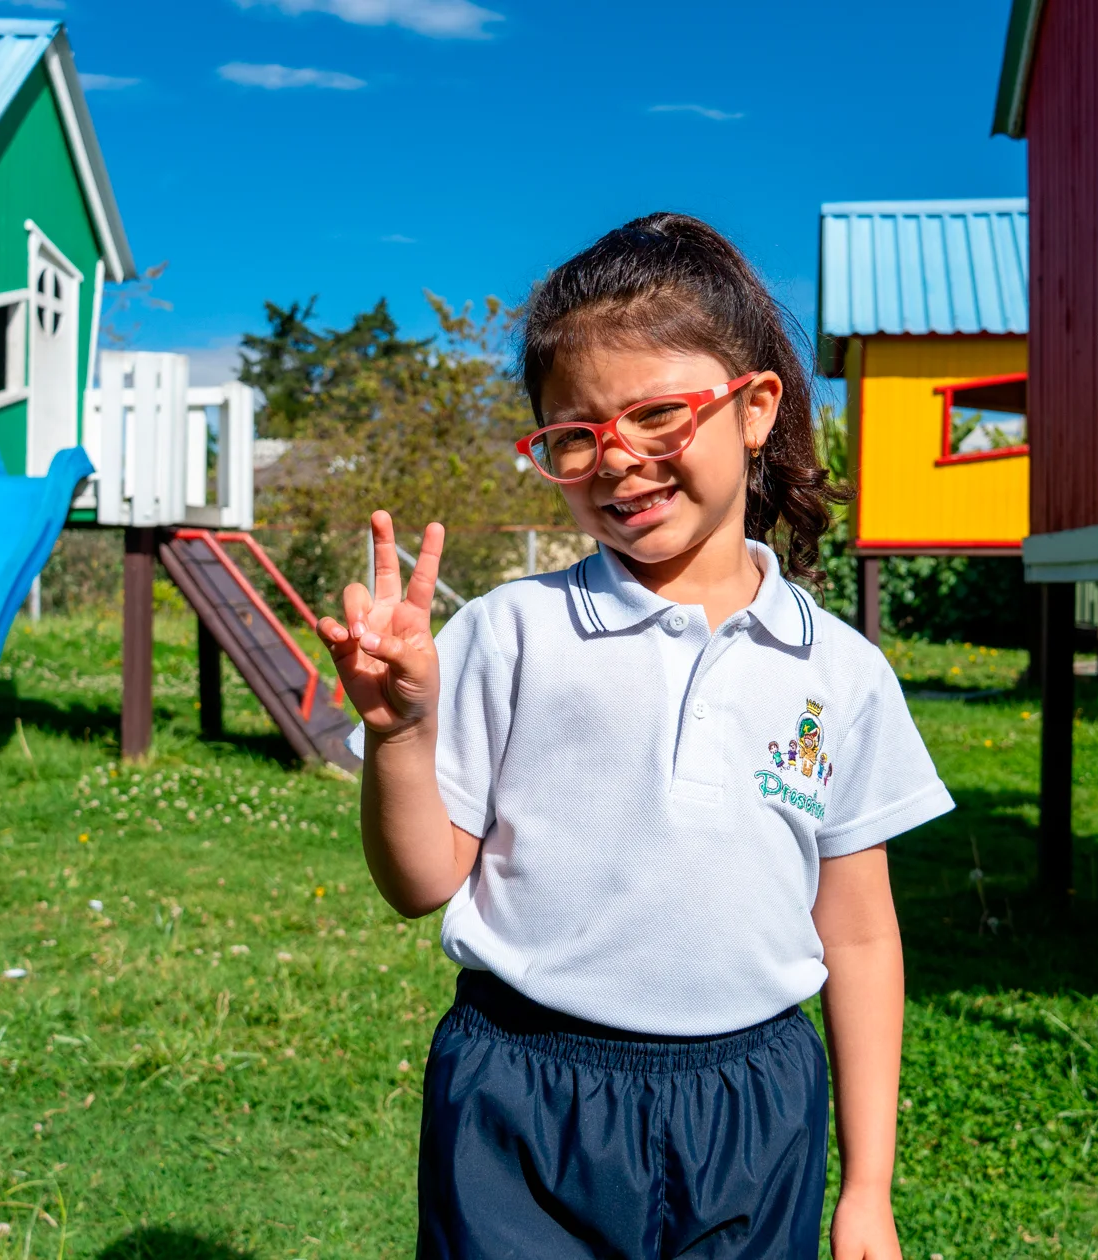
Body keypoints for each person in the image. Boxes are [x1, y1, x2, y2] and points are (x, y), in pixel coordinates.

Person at [316, 213, 954, 1259]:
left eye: (658, 416)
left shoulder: (838, 672)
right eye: (577, 434)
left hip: (753, 1106)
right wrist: (400, 735)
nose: (618, 462)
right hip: (523, 1094)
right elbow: (422, 881)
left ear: (754, 411)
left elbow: (861, 935)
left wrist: (868, 1188)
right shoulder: (510, 633)